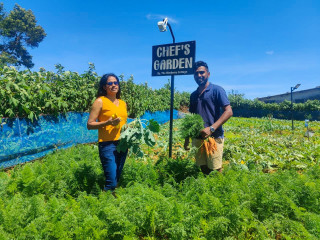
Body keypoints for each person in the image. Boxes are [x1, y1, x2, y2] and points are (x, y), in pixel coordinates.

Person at [184, 61, 233, 174]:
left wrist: (211, 128)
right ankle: (207, 188)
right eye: (196, 73)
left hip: (214, 137)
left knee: (215, 168)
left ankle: (219, 190)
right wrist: (187, 139)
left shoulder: (217, 90)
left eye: (202, 72)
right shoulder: (193, 95)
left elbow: (229, 111)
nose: (199, 75)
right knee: (203, 167)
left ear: (208, 74)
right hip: (197, 138)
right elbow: (190, 119)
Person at [87, 73, 128, 193]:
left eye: (116, 83)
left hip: (123, 143)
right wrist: (107, 123)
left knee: (117, 176)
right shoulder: (100, 101)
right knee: (111, 180)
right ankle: (105, 203)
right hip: (107, 144)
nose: (114, 85)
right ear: (105, 87)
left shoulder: (123, 103)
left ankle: (114, 202)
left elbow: (124, 122)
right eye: (110, 83)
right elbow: (89, 124)